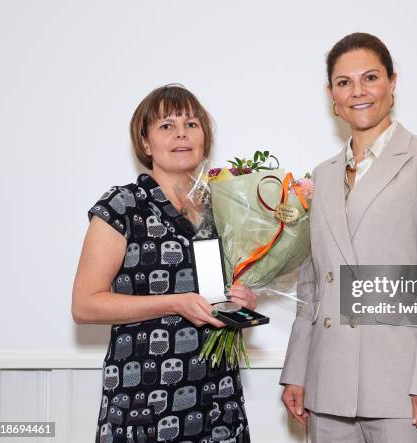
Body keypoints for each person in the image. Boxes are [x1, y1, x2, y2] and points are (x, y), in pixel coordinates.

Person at [280, 33, 417, 442]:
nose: (358, 92)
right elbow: (313, 285)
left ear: (392, 83)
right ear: (331, 94)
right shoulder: (322, 175)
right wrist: (297, 371)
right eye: (344, 82)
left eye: (370, 78)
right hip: (328, 387)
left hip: (402, 388)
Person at [72, 84, 255, 443]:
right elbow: (84, 304)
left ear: (205, 137)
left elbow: (218, 297)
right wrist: (174, 303)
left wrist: (242, 302)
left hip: (218, 396)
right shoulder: (123, 205)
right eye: (166, 126)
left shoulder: (222, 207)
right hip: (144, 398)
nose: (181, 133)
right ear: (145, 143)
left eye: (191, 124)